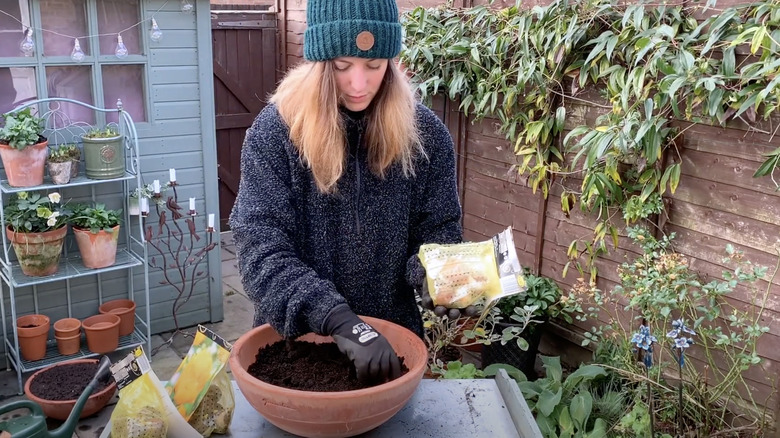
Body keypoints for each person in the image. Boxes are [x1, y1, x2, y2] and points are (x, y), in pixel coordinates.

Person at [228, 0, 463, 384]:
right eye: (341, 66)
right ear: (320, 64)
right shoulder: (276, 134)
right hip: (299, 348)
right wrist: (336, 318)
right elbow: (260, 249)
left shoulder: (426, 136)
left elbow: (440, 229)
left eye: (374, 65)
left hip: (392, 347)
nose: (358, 83)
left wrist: (435, 278)